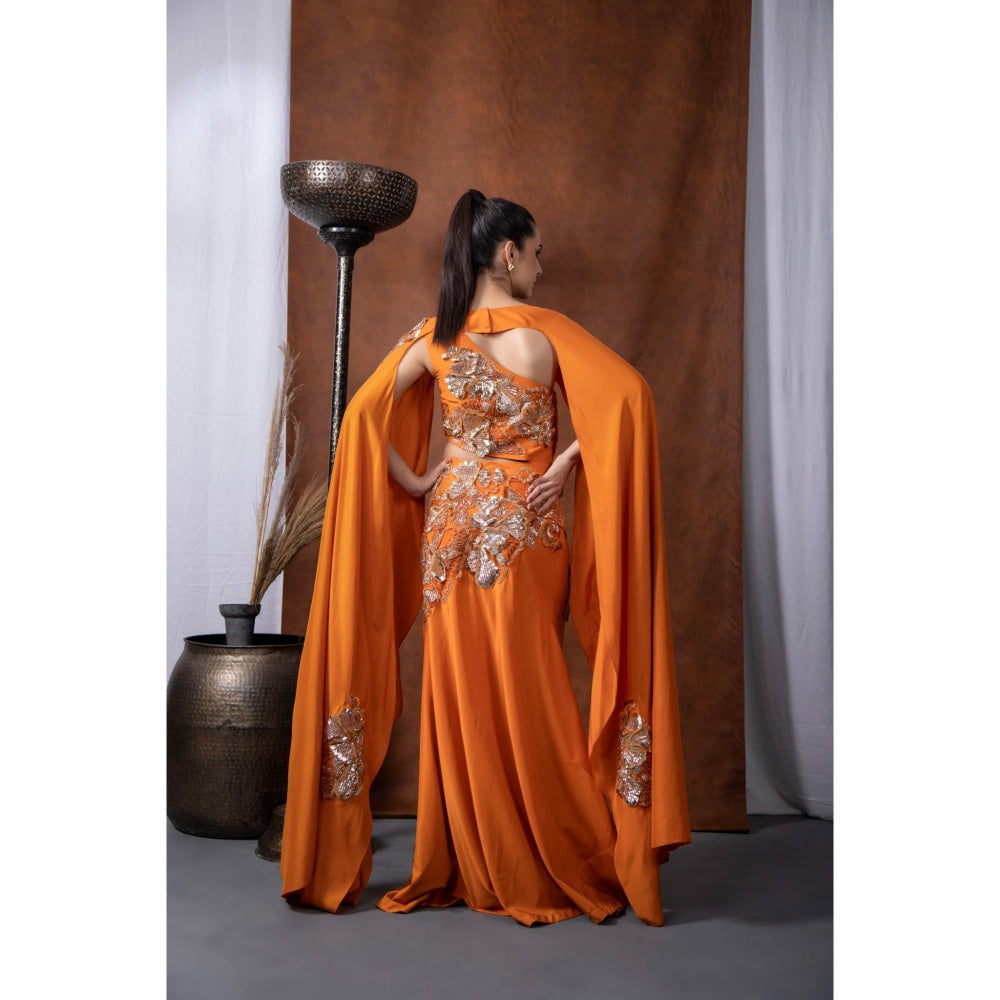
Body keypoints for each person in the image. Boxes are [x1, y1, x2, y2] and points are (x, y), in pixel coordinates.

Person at [280, 190, 690, 926]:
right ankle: (555, 851)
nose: (541, 266)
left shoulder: (433, 339)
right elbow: (628, 401)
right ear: (507, 253)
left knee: (463, 690)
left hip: (451, 532)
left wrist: (417, 480)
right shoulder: (548, 332)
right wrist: (567, 461)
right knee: (531, 682)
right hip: (528, 530)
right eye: (536, 252)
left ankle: (474, 857)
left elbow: (358, 420)